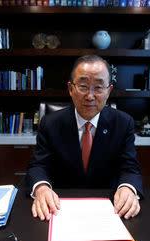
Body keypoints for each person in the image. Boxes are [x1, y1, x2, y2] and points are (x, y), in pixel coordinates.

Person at [26, 55, 143, 221]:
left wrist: (128, 188)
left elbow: (130, 168)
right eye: (83, 86)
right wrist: (42, 188)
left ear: (109, 91)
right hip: (60, 208)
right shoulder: (50, 123)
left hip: (109, 209)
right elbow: (38, 165)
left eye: (98, 87)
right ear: (71, 89)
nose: (90, 96)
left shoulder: (123, 123)